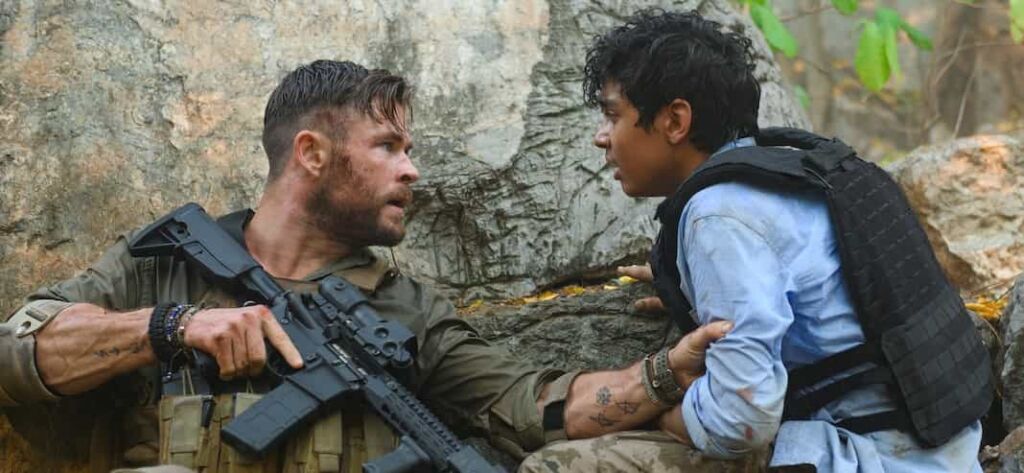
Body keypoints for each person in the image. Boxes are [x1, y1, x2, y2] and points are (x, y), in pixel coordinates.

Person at [0, 59, 730, 472]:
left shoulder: (404, 308)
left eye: (408, 150)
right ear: (312, 153)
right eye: (388, 147)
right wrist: (173, 326)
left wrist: (665, 371)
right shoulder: (163, 266)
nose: (412, 170)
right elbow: (16, 354)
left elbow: (535, 406)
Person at [520, 9, 989, 473]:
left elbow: (741, 419)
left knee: (553, 466)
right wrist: (695, 286)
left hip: (866, 458)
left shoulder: (719, 214)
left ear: (675, 121)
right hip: (943, 451)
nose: (601, 138)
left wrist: (661, 416)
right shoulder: (795, 170)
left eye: (612, 115)